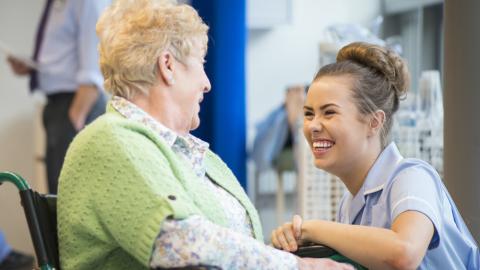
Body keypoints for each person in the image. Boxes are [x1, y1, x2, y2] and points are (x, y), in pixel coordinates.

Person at [57, 0, 353, 270]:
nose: (207, 83)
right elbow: (178, 242)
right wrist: (300, 267)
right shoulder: (111, 140)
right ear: (168, 66)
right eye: (201, 64)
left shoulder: (181, 150)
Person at [271, 42, 480, 269]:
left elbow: (404, 253)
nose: (313, 125)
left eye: (329, 112)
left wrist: (312, 229)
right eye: (309, 114)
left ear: (374, 122)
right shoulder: (349, 205)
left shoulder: (412, 177)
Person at [7, 0, 110, 194]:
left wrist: (75, 118)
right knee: (57, 194)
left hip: (76, 105)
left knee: (69, 196)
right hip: (58, 106)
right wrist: (34, 67)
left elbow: (93, 68)